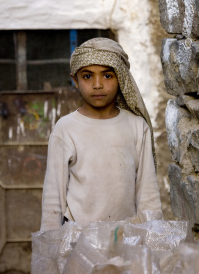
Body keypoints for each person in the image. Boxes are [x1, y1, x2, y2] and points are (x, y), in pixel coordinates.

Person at [40, 37, 162, 231]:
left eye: (107, 76)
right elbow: (54, 195)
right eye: (87, 76)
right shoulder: (66, 128)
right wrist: (52, 248)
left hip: (126, 239)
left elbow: (148, 194)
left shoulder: (137, 126)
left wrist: (154, 242)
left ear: (120, 77)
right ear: (75, 80)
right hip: (78, 240)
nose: (97, 85)